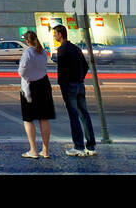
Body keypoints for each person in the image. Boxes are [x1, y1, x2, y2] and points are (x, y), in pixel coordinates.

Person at [52, 25, 96, 157]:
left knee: (73, 116)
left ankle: (78, 147)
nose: (54, 36)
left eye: (55, 33)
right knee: (84, 114)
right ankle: (91, 146)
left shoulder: (62, 50)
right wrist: (79, 78)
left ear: (60, 34)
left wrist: (62, 85)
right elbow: (85, 66)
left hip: (69, 86)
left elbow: (61, 71)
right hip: (79, 85)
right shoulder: (76, 49)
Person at [18, 31, 54, 159]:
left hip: (30, 86)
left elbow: (21, 71)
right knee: (44, 118)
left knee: (28, 119)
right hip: (44, 84)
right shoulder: (42, 51)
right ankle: (45, 150)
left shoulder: (28, 52)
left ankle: (33, 150)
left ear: (27, 41)